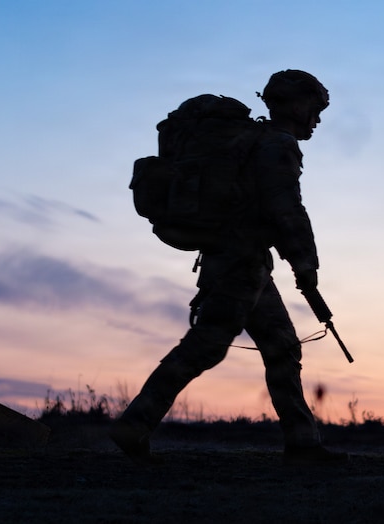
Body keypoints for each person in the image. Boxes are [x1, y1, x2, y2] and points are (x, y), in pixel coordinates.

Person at [110, 70, 347, 464]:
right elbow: (286, 209)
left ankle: (303, 442)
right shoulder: (277, 144)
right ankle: (134, 424)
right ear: (295, 104)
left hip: (244, 261)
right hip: (239, 262)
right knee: (206, 346)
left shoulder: (256, 141)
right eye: (315, 109)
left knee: (282, 347)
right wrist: (306, 265)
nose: (317, 119)